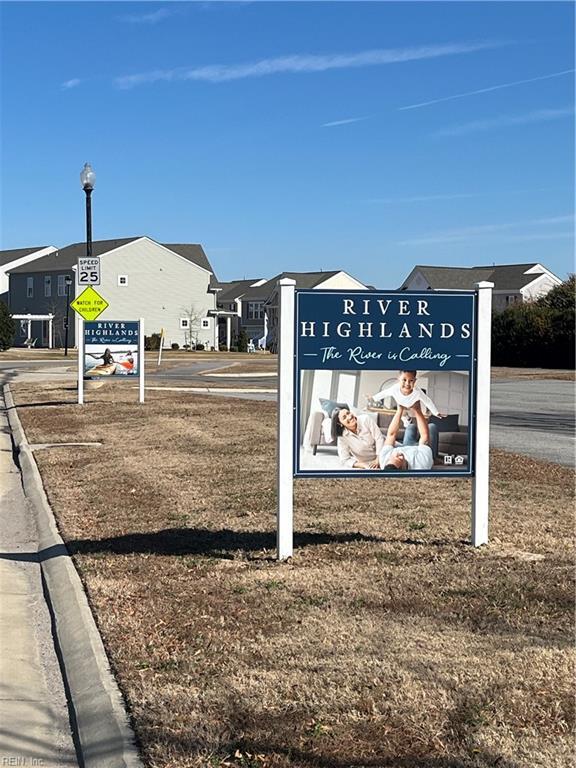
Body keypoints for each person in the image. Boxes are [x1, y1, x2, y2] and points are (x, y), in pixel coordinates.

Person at [371, 370, 440, 457]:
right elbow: (425, 436)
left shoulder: (388, 458)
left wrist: (373, 398)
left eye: (411, 381)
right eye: (404, 380)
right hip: (421, 450)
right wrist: (433, 412)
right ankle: (407, 419)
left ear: (414, 381)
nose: (407, 383)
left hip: (407, 447)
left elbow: (391, 435)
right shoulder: (423, 462)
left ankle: (407, 420)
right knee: (431, 426)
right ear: (399, 379)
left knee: (411, 426)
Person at [379, 402, 434, 471]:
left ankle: (408, 422)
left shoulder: (384, 460)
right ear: (404, 468)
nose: (398, 454)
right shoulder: (422, 465)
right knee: (432, 427)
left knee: (411, 427)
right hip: (419, 454)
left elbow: (391, 435)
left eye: (392, 458)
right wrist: (417, 409)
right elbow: (424, 435)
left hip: (406, 446)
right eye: (399, 458)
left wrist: (400, 410)